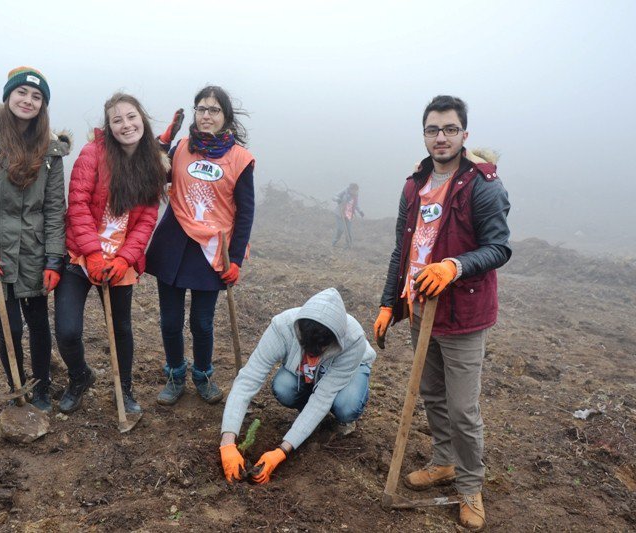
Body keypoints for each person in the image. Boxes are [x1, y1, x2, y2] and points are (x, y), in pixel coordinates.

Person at [373, 95, 511, 531]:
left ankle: (470, 486)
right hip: (420, 311)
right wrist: (388, 302)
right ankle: (444, 461)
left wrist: (454, 266)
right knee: (432, 393)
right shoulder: (414, 185)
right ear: (425, 135)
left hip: (463, 315)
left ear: (464, 135)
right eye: (433, 130)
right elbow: (405, 249)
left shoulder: (483, 186)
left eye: (450, 129)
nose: (441, 137)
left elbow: (499, 247)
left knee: (463, 408)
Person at [0, 66, 70, 413]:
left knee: (38, 323)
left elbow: (54, 209)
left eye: (37, 97)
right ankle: (17, 387)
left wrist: (54, 259)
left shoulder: (50, 151)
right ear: (8, 96)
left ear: (43, 106)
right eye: (22, 93)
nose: (28, 100)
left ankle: (42, 389)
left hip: (33, 253)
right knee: (11, 325)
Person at [53, 93, 175, 414]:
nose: (126, 125)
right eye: (117, 120)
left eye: (131, 117)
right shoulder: (92, 154)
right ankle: (80, 377)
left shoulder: (153, 164)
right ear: (108, 126)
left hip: (121, 260)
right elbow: (77, 206)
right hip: (80, 255)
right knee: (67, 331)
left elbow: (147, 220)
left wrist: (123, 260)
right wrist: (92, 254)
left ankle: (125, 389)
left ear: (142, 119)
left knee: (121, 329)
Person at [145, 86, 255, 406]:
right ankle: (175, 374)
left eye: (214, 110)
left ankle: (204, 375)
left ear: (226, 117)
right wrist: (161, 144)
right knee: (170, 320)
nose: (207, 115)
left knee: (202, 322)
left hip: (211, 250)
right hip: (173, 244)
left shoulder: (241, 160)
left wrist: (235, 259)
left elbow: (246, 212)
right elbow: (151, 178)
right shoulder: (179, 148)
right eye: (201, 109)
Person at [219, 288, 376, 484]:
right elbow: (248, 379)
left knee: (347, 405)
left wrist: (282, 451)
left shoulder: (353, 341)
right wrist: (227, 442)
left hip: (350, 369)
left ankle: (338, 418)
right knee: (284, 387)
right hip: (302, 374)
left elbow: (322, 398)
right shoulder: (282, 327)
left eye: (318, 353)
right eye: (307, 351)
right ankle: (307, 417)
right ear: (299, 334)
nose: (312, 360)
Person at [332, 183, 364, 248]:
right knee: (340, 229)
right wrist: (337, 199)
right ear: (350, 189)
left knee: (349, 231)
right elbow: (334, 197)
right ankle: (334, 241)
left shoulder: (355, 196)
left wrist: (360, 211)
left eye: (356, 191)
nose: (355, 192)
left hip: (349, 215)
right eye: (354, 190)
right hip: (340, 214)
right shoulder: (344, 192)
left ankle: (348, 245)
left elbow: (356, 205)